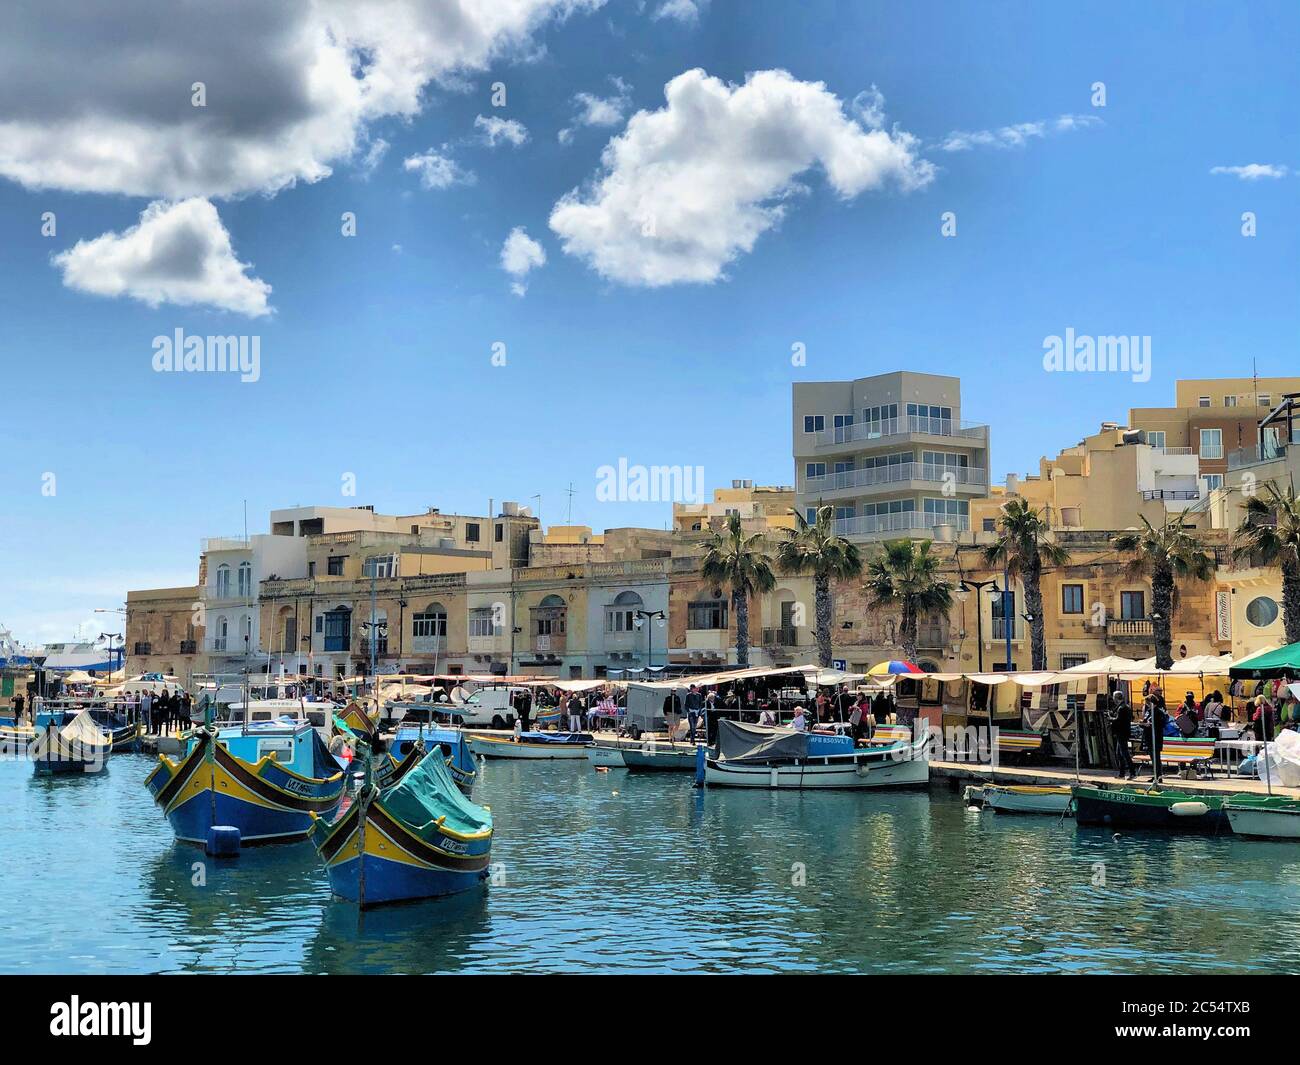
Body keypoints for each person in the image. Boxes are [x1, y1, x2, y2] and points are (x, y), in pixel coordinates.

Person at [1110, 690, 1135, 778]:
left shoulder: (1122, 708)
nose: (1113, 699)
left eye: (1114, 697)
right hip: (1123, 732)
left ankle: (1132, 772)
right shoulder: (1125, 707)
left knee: (1124, 753)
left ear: (1116, 698)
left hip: (1121, 733)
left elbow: (1118, 720)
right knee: (1120, 754)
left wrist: (1110, 718)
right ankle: (1122, 773)